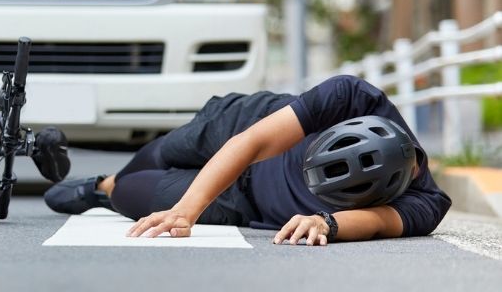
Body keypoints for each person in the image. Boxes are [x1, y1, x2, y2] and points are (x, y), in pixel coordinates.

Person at [43, 76, 451, 246]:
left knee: (131, 194)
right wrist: (187, 210)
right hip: (239, 127)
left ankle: (105, 193)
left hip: (246, 202)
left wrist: (325, 222)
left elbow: (380, 222)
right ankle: (106, 180)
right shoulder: (352, 97)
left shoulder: (425, 203)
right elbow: (253, 141)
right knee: (152, 157)